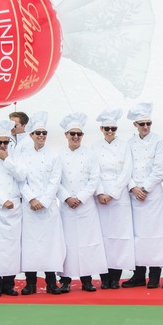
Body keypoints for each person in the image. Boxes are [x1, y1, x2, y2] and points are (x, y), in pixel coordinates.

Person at [57, 112, 108, 293]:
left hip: (85, 206)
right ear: (66, 135)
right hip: (66, 206)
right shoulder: (58, 155)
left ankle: (87, 279)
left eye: (79, 134)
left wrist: (81, 197)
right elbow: (55, 180)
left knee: (88, 242)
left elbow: (94, 179)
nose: (76, 137)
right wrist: (67, 198)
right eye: (73, 134)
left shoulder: (90, 154)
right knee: (67, 244)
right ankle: (65, 280)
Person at [121, 103, 163, 289]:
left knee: (154, 235)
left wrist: (145, 188)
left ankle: (155, 274)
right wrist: (133, 187)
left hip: (152, 195)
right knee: (137, 236)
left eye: (148, 123)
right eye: (142, 124)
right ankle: (139, 274)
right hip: (134, 196)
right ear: (135, 125)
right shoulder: (129, 144)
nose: (146, 127)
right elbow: (125, 168)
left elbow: (160, 169)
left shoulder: (159, 141)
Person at [19, 111, 66, 295]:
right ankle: (30, 284)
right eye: (38, 133)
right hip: (30, 208)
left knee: (50, 246)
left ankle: (51, 283)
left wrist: (44, 201)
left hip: (48, 208)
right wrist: (32, 199)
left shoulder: (54, 157)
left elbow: (55, 181)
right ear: (31, 135)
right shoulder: (23, 156)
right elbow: (21, 181)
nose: (41, 136)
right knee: (31, 246)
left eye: (44, 133)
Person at [93, 108, 135, 290]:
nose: (110, 132)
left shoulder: (125, 146)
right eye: (107, 128)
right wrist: (101, 192)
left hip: (119, 197)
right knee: (103, 238)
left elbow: (127, 171)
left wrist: (113, 193)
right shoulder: (94, 147)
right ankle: (104, 277)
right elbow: (94, 172)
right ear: (101, 129)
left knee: (118, 238)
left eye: (113, 129)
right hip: (100, 198)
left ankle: (115, 277)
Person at [0, 120, 26, 297]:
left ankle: (9, 283)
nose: (2, 145)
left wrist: (6, 159)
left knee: (12, 247)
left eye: (5, 142)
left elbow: (22, 175)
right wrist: (2, 201)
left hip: (14, 208)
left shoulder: (15, 157)